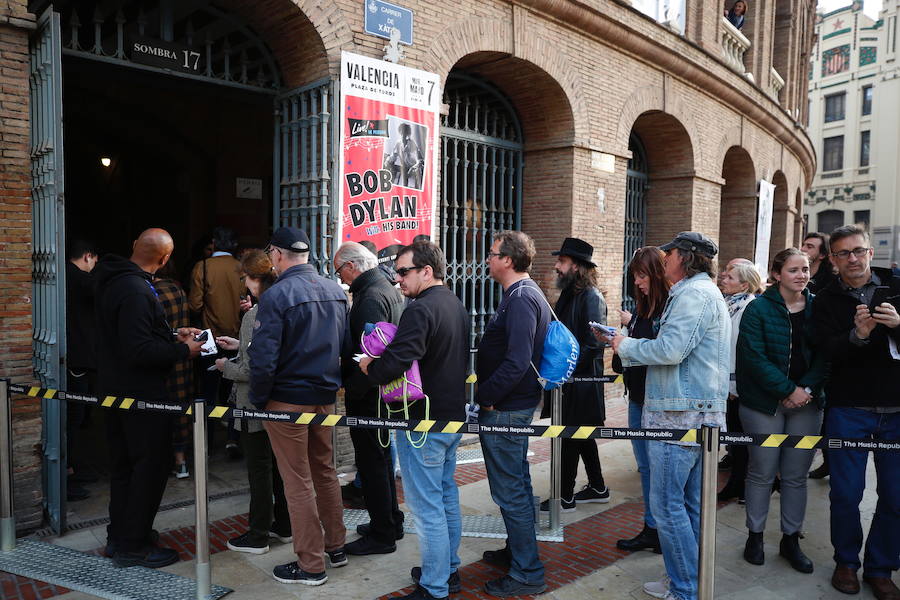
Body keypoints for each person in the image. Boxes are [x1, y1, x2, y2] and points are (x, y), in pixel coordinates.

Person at [606, 232, 729, 600]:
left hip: (679, 418)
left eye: (669, 252)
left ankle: (686, 587)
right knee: (686, 505)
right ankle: (684, 578)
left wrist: (624, 344)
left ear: (684, 257)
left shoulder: (693, 295)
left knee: (668, 507)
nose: (664, 259)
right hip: (685, 413)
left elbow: (671, 349)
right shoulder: (696, 292)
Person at [360, 241, 469, 600]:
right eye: (396, 272)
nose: (397, 278)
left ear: (427, 271)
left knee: (427, 509)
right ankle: (447, 570)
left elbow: (397, 361)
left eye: (403, 271)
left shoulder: (420, 310)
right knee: (445, 498)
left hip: (423, 424)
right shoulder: (454, 303)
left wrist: (369, 366)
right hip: (450, 418)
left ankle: (436, 585)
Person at [94, 228, 203, 568]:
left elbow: (129, 334)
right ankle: (134, 545)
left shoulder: (114, 280)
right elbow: (139, 350)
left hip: (114, 390)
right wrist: (184, 349)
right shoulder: (137, 289)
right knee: (149, 468)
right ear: (165, 259)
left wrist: (172, 335)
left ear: (133, 246)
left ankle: (120, 536)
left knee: (124, 466)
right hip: (141, 396)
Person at [248, 227, 349, 585]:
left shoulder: (276, 296)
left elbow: (263, 359)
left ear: (276, 254)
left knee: (297, 480)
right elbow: (345, 347)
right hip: (324, 398)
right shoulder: (335, 291)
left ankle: (311, 565)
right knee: (323, 471)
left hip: (287, 400)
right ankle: (336, 547)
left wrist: (260, 401)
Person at [811, 225, 900, 599]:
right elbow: (825, 350)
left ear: (870, 252)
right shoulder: (825, 299)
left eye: (859, 251)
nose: (853, 259)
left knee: (896, 497)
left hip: (897, 412)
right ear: (832, 259)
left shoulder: (896, 287)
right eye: (844, 253)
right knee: (846, 495)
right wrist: (857, 336)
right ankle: (847, 561)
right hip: (849, 408)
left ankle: (880, 568)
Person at [735, 248, 826, 574]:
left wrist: (806, 390)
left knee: (795, 476)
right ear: (776, 274)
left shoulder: (819, 308)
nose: (802, 275)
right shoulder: (758, 309)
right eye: (793, 270)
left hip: (808, 404)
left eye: (805, 269)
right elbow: (752, 357)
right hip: (763, 404)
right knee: (761, 471)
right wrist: (788, 390)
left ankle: (791, 538)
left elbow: (825, 355)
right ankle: (755, 535)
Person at [475, 231, 550, 597]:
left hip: (507, 409)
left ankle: (527, 572)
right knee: (516, 485)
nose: (487, 259)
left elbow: (518, 361)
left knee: (511, 492)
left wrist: (486, 397)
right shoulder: (521, 294)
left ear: (508, 259)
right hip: (511, 407)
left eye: (492, 254)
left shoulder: (521, 298)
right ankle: (518, 552)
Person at [215, 249, 292, 555]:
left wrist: (226, 368)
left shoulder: (254, 314)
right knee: (278, 468)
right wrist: (239, 346)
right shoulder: (285, 306)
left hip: (255, 405)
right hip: (282, 404)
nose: (245, 284)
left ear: (255, 278)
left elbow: (251, 369)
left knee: (259, 470)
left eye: (246, 278)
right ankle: (284, 525)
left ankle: (258, 534)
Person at [334, 242, 405, 555]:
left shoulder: (371, 296)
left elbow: (369, 353)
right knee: (381, 460)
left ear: (351, 266)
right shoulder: (383, 287)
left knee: (372, 462)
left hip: (370, 395)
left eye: (340, 271)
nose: (341, 279)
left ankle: (382, 533)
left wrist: (352, 387)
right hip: (379, 393)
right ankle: (390, 520)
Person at [540, 238, 609, 512]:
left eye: (562, 262)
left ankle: (564, 496)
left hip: (581, 383)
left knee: (570, 438)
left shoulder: (591, 297)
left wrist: (567, 373)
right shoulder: (571, 293)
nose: (557, 266)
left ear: (577, 266)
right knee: (582, 437)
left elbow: (593, 344)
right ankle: (598, 487)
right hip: (569, 382)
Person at [613, 247, 670, 554]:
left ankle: (662, 528)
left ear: (658, 273)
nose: (636, 282)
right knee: (646, 469)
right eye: (634, 275)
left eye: (641, 274)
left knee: (660, 471)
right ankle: (652, 527)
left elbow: (660, 353)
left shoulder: (669, 308)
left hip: (658, 402)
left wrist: (629, 345)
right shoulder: (641, 309)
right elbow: (625, 359)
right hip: (637, 398)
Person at [189, 226, 243, 458]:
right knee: (234, 393)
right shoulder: (241, 268)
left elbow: (195, 305)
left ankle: (207, 443)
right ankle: (233, 440)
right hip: (237, 339)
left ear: (214, 242)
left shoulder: (202, 267)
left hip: (210, 340)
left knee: (209, 391)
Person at [717, 260, 764, 503]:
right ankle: (736, 482)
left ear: (745, 284)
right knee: (735, 438)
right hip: (726, 383)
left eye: (730, 277)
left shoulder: (749, 307)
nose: (723, 279)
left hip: (739, 386)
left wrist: (733, 385)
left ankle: (744, 484)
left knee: (744, 438)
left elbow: (739, 349)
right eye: (724, 275)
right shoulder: (728, 304)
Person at [152, 260, 193, 480]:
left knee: (160, 408)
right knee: (182, 407)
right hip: (184, 356)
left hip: (163, 358)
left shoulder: (153, 294)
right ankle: (181, 460)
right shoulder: (178, 289)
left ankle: (163, 460)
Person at [65, 239, 99, 501]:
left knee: (73, 418)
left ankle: (72, 468)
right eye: (95, 261)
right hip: (77, 360)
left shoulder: (62, 276)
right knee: (73, 420)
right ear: (88, 256)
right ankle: (68, 474)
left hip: (71, 358)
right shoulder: (83, 281)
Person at [802, 232, 836, 479]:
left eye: (810, 246)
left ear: (822, 254)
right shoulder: (799, 271)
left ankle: (828, 459)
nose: (804, 248)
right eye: (804, 244)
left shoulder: (827, 282)